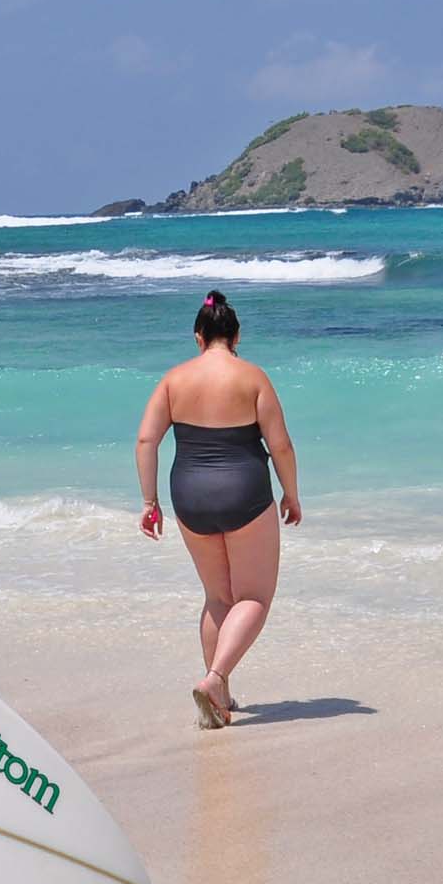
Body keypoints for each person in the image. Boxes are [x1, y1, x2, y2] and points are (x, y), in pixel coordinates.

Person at [134, 290, 301, 728]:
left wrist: (149, 502)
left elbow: (146, 441)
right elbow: (279, 444)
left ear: (198, 337)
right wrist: (291, 493)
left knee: (217, 597)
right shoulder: (253, 378)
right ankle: (215, 678)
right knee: (254, 598)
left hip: (189, 494)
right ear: (237, 334)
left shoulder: (174, 380)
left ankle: (221, 698)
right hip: (243, 491)